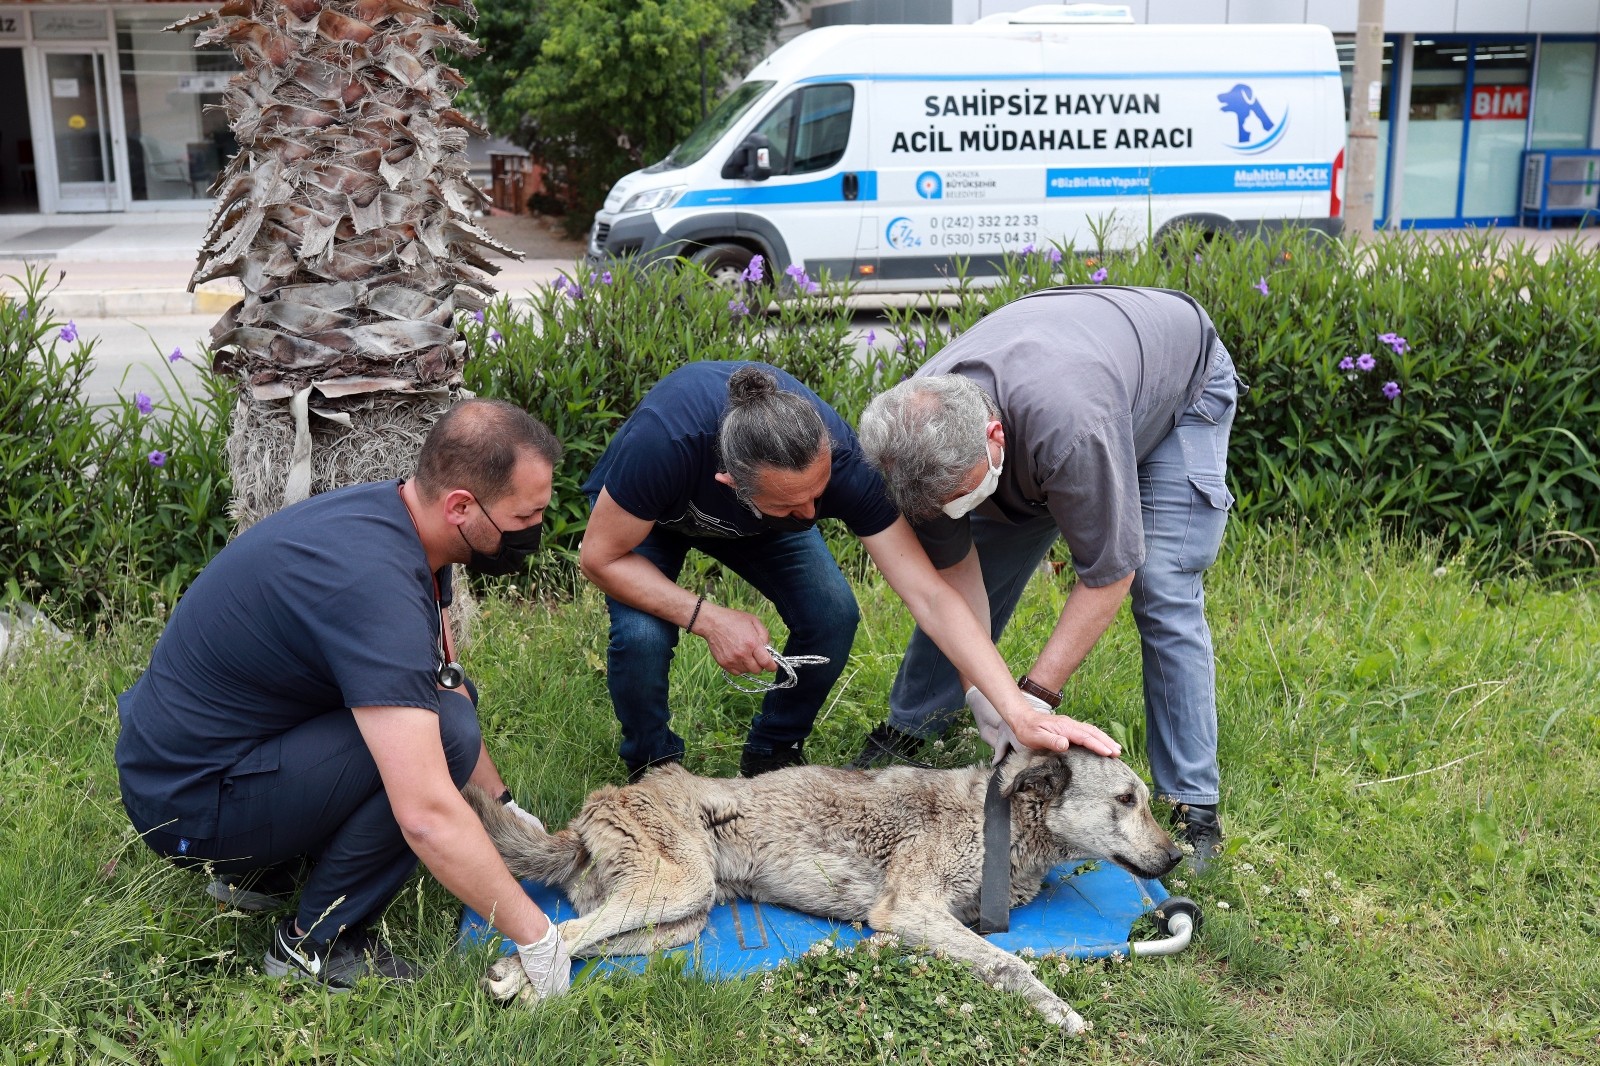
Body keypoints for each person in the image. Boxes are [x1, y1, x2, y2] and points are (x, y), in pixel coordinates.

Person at [115, 399, 572, 996]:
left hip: (193, 765)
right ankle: (317, 944)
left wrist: (501, 805)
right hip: (188, 808)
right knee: (447, 735)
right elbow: (427, 815)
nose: (535, 531)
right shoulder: (375, 586)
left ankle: (263, 874)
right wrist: (538, 938)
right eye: (526, 515)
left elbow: (443, 677)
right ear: (461, 506)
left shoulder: (404, 522)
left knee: (447, 712)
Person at [851, 286, 1241, 871]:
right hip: (1058, 401)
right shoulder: (914, 435)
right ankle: (913, 728)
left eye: (962, 495)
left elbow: (1110, 572)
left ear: (994, 439)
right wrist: (987, 695)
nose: (957, 510)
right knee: (983, 551)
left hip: (1175, 389)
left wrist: (1033, 699)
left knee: (1162, 583)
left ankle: (1193, 803)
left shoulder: (1072, 430)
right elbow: (952, 583)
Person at [579, 361, 1118, 781]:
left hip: (759, 522)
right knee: (642, 636)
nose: (813, 516)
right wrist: (708, 617)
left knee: (833, 614)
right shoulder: (665, 444)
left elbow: (931, 596)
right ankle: (653, 767)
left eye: (818, 495)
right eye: (793, 505)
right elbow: (599, 559)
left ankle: (773, 750)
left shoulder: (842, 466)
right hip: (644, 527)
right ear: (730, 484)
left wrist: (1014, 710)